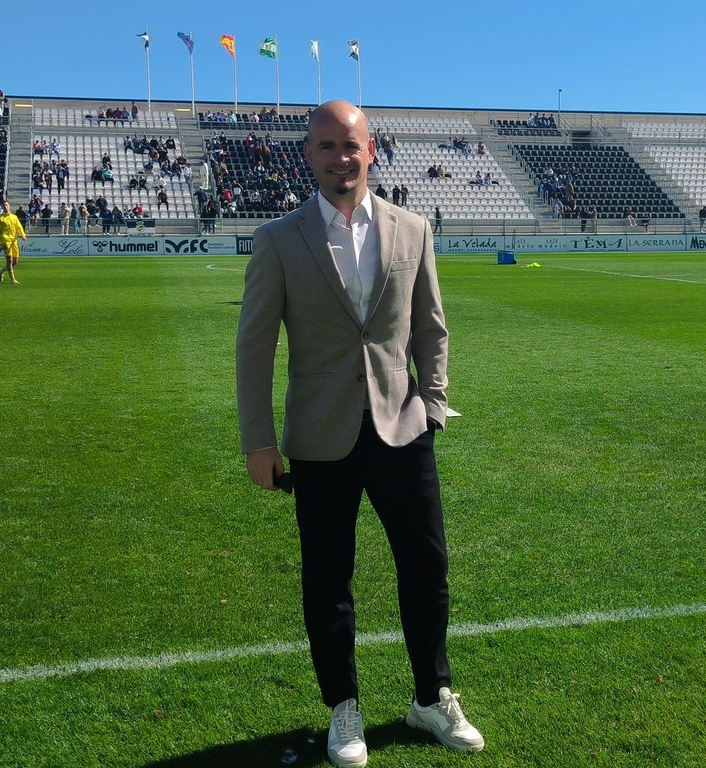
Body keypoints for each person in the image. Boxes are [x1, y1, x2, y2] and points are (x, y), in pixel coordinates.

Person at [236, 100, 483, 768]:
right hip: (319, 439)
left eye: (350, 145)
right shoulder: (279, 240)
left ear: (371, 149)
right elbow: (254, 345)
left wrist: (433, 402)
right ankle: (343, 708)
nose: (340, 157)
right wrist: (258, 440)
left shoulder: (413, 228)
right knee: (328, 579)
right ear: (307, 155)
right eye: (325, 147)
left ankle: (432, 695)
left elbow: (432, 327)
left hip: (404, 428)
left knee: (427, 565)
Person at [0, 199, 27, 284]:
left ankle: (1, 271)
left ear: (9, 206)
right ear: (2, 207)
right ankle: (12, 279)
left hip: (14, 241)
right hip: (6, 241)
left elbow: (19, 226)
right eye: (3, 205)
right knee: (9, 260)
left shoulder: (14, 217)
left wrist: (23, 235)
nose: (5, 206)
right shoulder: (0, 218)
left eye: (6, 205)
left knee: (15, 262)